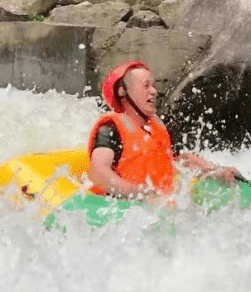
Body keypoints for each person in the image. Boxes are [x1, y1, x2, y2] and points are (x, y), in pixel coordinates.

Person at [86, 60, 241, 199]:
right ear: (122, 91)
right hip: (122, 205)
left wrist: (214, 171)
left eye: (153, 86)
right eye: (146, 85)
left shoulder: (156, 127)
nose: (154, 91)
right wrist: (142, 194)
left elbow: (178, 160)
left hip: (162, 202)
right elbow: (98, 172)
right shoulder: (110, 129)